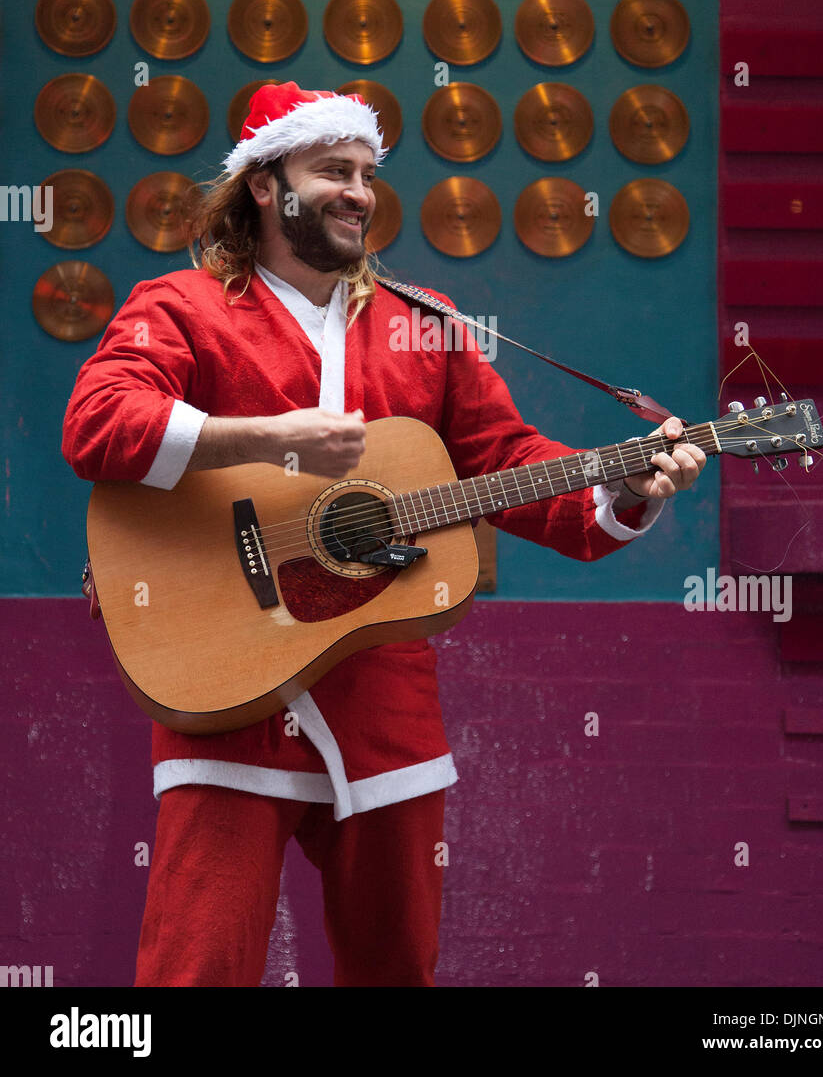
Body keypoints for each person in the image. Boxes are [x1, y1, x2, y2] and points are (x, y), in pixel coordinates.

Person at [62, 81, 706, 988]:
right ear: (263, 184)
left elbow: (508, 463)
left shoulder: (425, 321)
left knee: (396, 968)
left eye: (366, 173)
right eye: (333, 170)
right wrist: (264, 438)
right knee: (193, 970)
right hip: (221, 689)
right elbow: (97, 422)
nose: (360, 192)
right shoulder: (182, 305)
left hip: (384, 707)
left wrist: (629, 487)